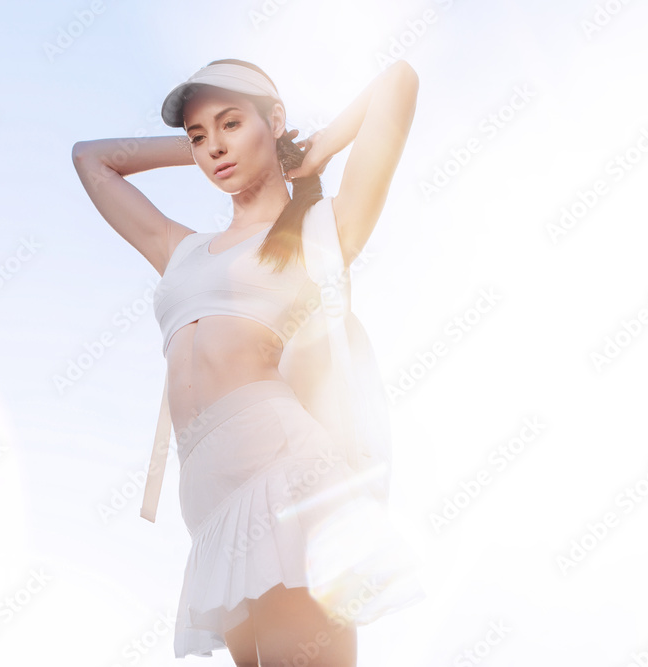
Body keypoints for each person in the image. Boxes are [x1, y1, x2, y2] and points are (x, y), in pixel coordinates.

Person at [72, 58, 421, 666]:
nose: (214, 148)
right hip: (208, 502)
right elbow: (90, 158)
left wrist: (305, 152)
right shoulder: (182, 250)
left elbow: (399, 81)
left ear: (275, 119)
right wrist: (214, 146)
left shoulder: (320, 228)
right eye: (200, 135)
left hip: (285, 473)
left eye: (231, 124)